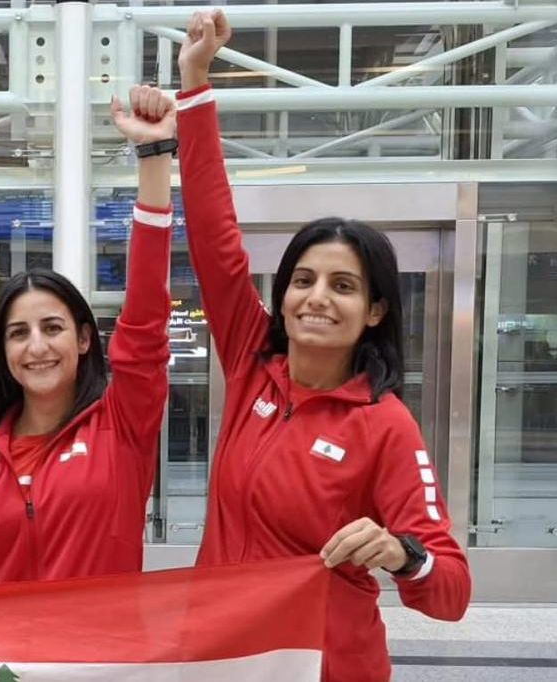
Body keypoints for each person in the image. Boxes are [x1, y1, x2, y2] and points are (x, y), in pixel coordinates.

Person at [174, 10, 471, 681]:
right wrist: (195, 83)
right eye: (302, 280)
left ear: (374, 311)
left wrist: (401, 553)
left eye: (343, 286)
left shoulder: (384, 424)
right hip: (224, 657)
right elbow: (215, 237)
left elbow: (451, 589)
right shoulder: (253, 361)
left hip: (327, 666)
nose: (316, 298)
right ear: (281, 296)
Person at [0, 84, 174, 599]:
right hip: (0, 652)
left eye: (53, 327)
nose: (36, 346)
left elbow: (146, 322)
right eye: (18, 333)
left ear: (84, 339)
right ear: (3, 352)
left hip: (97, 647)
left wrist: (154, 158)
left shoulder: (121, 427)